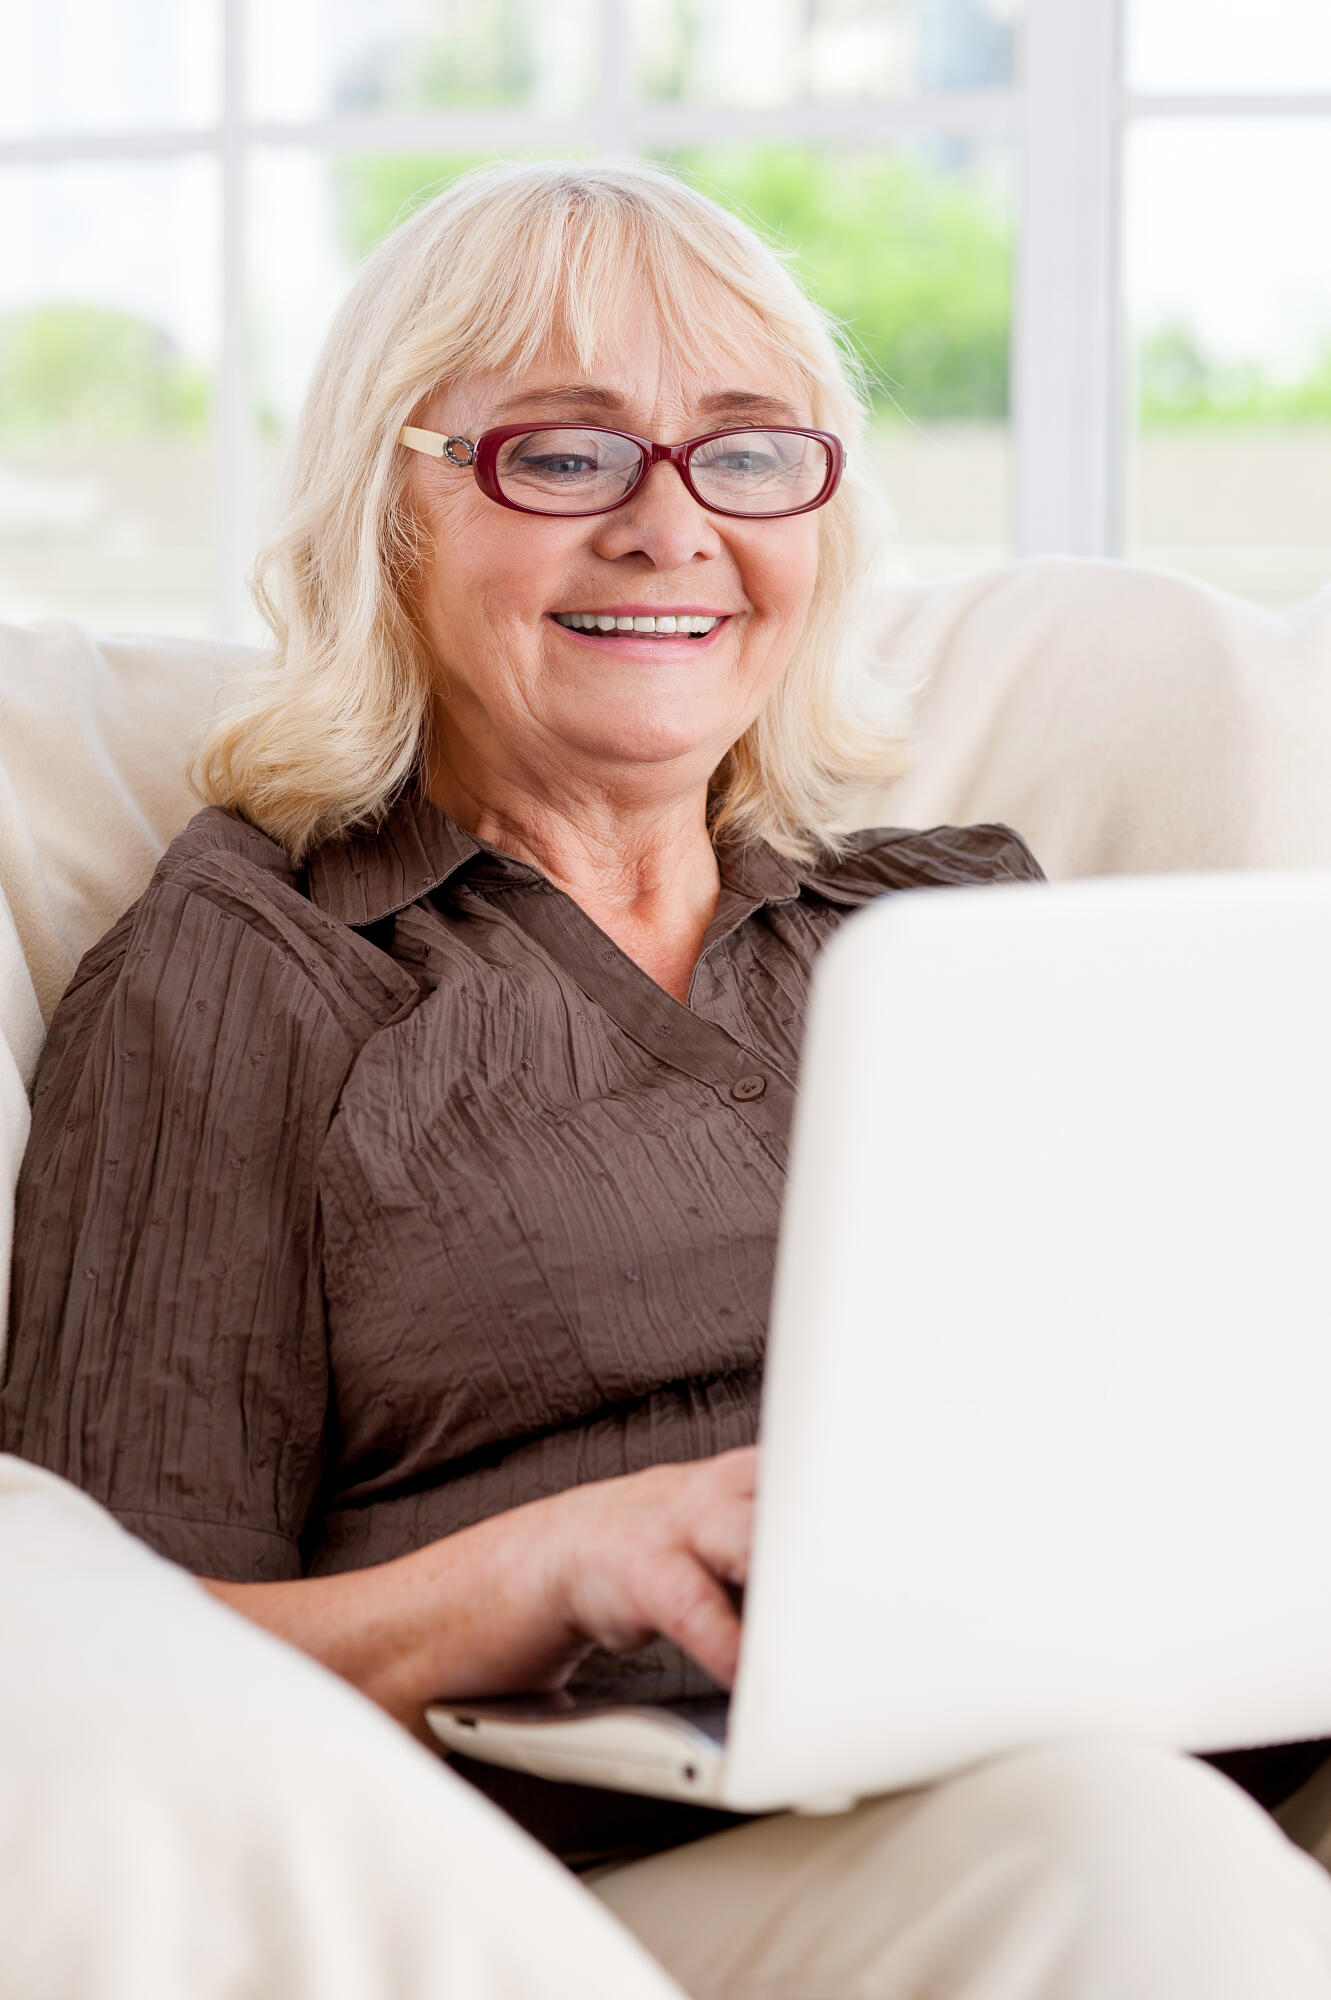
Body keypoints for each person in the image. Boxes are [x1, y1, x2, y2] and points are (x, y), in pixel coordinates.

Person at [5, 157, 1331, 1997]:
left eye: (748, 449)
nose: (668, 523)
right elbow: (91, 1655)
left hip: (1111, 1733)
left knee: (1129, 1819)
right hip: (586, 1860)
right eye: (562, 454)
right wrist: (553, 1567)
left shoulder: (964, 925)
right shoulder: (259, 968)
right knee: (1117, 1856)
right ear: (391, 513)